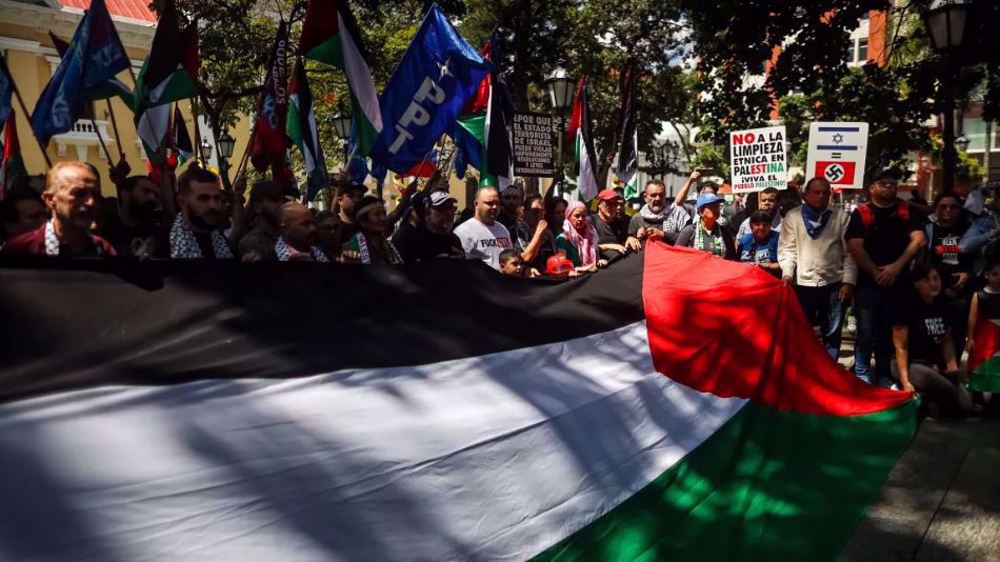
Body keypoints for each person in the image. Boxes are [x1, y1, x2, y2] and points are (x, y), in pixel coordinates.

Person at [846, 168, 926, 386]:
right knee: (865, 331)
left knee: (886, 331)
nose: (889, 187)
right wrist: (875, 272)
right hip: (868, 285)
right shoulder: (861, 213)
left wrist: (897, 267)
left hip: (898, 283)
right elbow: (854, 245)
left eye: (893, 183)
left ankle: (883, 374)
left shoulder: (906, 211)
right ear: (871, 188)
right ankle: (861, 372)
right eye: (883, 183)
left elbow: (919, 239)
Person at [778, 177, 857, 360]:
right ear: (806, 194)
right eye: (816, 192)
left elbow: (850, 253)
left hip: (834, 285)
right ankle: (806, 371)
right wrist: (788, 274)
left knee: (832, 334)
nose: (821, 196)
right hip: (802, 284)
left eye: (825, 192)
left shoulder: (841, 217)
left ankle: (830, 372)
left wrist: (848, 281)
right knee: (802, 331)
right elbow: (787, 249)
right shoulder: (794, 216)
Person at [892, 262, 973, 417]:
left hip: (934, 364)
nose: (933, 284)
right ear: (916, 284)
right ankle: (920, 395)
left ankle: (929, 400)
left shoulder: (944, 304)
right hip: (910, 364)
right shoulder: (905, 306)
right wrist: (905, 382)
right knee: (948, 389)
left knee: (966, 405)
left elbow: (947, 340)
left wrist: (953, 369)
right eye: (926, 280)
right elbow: (900, 347)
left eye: (936, 279)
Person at [2, 161, 116, 257]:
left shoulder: (104, 250)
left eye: (95, 195)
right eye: (79, 193)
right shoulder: (19, 250)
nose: (91, 202)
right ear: (50, 199)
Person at [924, 192, 973, 352]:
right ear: (935, 208)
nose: (948, 210)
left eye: (953, 207)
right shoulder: (927, 228)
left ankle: (952, 372)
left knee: (958, 335)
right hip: (934, 292)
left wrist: (969, 274)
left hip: (961, 293)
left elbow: (979, 258)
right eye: (943, 206)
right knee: (934, 335)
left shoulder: (969, 229)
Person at [158, 166, 233, 259]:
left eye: (217, 198)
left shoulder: (222, 242)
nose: (213, 205)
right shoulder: (162, 246)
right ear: (182, 202)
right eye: (204, 198)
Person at [393, 191, 466, 264]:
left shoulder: (453, 240)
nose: (450, 213)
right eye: (442, 208)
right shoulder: (407, 238)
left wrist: (460, 263)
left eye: (452, 208)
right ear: (427, 212)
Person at [629, 172, 699, 245]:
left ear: (665, 195)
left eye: (661, 195)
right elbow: (630, 243)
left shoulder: (677, 213)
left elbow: (688, 240)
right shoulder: (637, 219)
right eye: (653, 195)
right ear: (645, 197)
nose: (658, 198)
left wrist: (663, 235)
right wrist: (636, 238)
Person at [454, 186, 514, 270]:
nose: (494, 207)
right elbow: (460, 266)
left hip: (504, 282)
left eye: (497, 203)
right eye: (489, 203)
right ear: (476, 204)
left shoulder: (502, 228)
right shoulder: (464, 231)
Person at [101, 175, 162, 257]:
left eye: (156, 195)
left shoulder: (158, 235)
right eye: (145, 191)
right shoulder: (107, 233)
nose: (152, 198)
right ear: (126, 194)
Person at [344, 195, 403, 265]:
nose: (383, 218)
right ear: (363, 221)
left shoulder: (384, 243)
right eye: (377, 214)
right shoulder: (352, 248)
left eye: (384, 213)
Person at [675, 193, 736, 259]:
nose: (716, 210)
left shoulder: (724, 232)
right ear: (701, 212)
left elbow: (732, 258)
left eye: (717, 206)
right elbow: (677, 255)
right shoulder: (689, 231)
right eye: (712, 207)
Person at [237, 180, 285, 262]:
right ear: (257, 207)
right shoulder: (251, 242)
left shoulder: (288, 235)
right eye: (274, 200)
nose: (280, 204)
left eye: (282, 200)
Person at [555, 200, 607, 271]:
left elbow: (594, 259)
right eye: (577, 216)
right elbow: (561, 268)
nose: (581, 219)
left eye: (583, 216)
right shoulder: (562, 239)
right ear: (569, 216)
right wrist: (583, 269)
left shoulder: (590, 235)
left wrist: (598, 262)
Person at [592, 189, 640, 261]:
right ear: (599, 204)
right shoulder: (591, 222)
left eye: (615, 204)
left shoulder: (622, 222)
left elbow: (627, 240)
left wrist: (630, 238)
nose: (612, 207)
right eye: (608, 203)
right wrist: (612, 246)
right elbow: (587, 248)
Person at [516, 194, 555, 270]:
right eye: (535, 211)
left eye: (542, 211)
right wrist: (538, 233)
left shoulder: (549, 233)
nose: (539, 215)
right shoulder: (518, 230)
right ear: (525, 212)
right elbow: (526, 258)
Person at [736, 210, 781, 277]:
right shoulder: (744, 239)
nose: (761, 228)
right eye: (757, 224)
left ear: (770, 226)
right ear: (751, 226)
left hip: (770, 281)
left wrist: (769, 266)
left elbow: (786, 263)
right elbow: (737, 262)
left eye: (765, 225)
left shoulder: (777, 238)